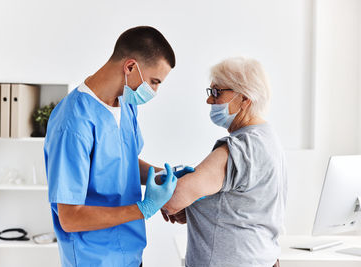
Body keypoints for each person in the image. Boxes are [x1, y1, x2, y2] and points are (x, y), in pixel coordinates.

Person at [44, 26, 193, 267]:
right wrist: (144, 208)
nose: (154, 91)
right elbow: (70, 217)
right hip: (92, 259)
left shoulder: (126, 104)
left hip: (130, 255)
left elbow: (122, 162)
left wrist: (164, 176)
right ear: (131, 66)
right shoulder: (73, 122)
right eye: (154, 82)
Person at [162, 57, 287, 267]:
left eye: (217, 92)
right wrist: (195, 210)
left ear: (245, 98)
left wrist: (172, 200)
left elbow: (173, 198)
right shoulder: (268, 138)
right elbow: (241, 205)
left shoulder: (241, 147)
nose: (209, 101)